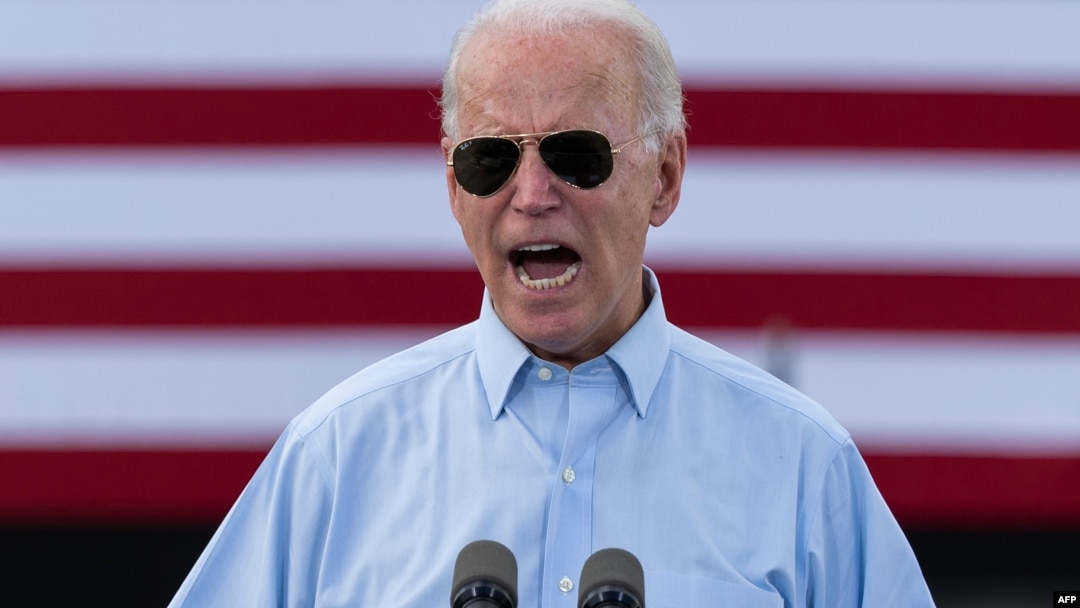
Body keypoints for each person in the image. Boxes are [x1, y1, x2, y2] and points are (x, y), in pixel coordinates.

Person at [170, 0, 936, 606]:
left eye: (576, 154)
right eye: (490, 159)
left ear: (664, 179)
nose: (532, 196)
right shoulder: (333, 459)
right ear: (451, 186)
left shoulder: (804, 467)